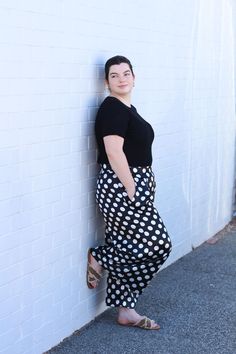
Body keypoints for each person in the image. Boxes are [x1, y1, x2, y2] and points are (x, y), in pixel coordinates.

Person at [86, 55, 172, 330]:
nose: (122, 79)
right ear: (107, 81)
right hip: (121, 185)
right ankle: (101, 257)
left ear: (134, 77)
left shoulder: (127, 108)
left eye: (126, 73)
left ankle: (126, 310)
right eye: (114, 75)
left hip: (130, 184)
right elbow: (113, 151)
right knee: (158, 244)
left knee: (129, 243)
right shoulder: (112, 109)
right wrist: (132, 187)